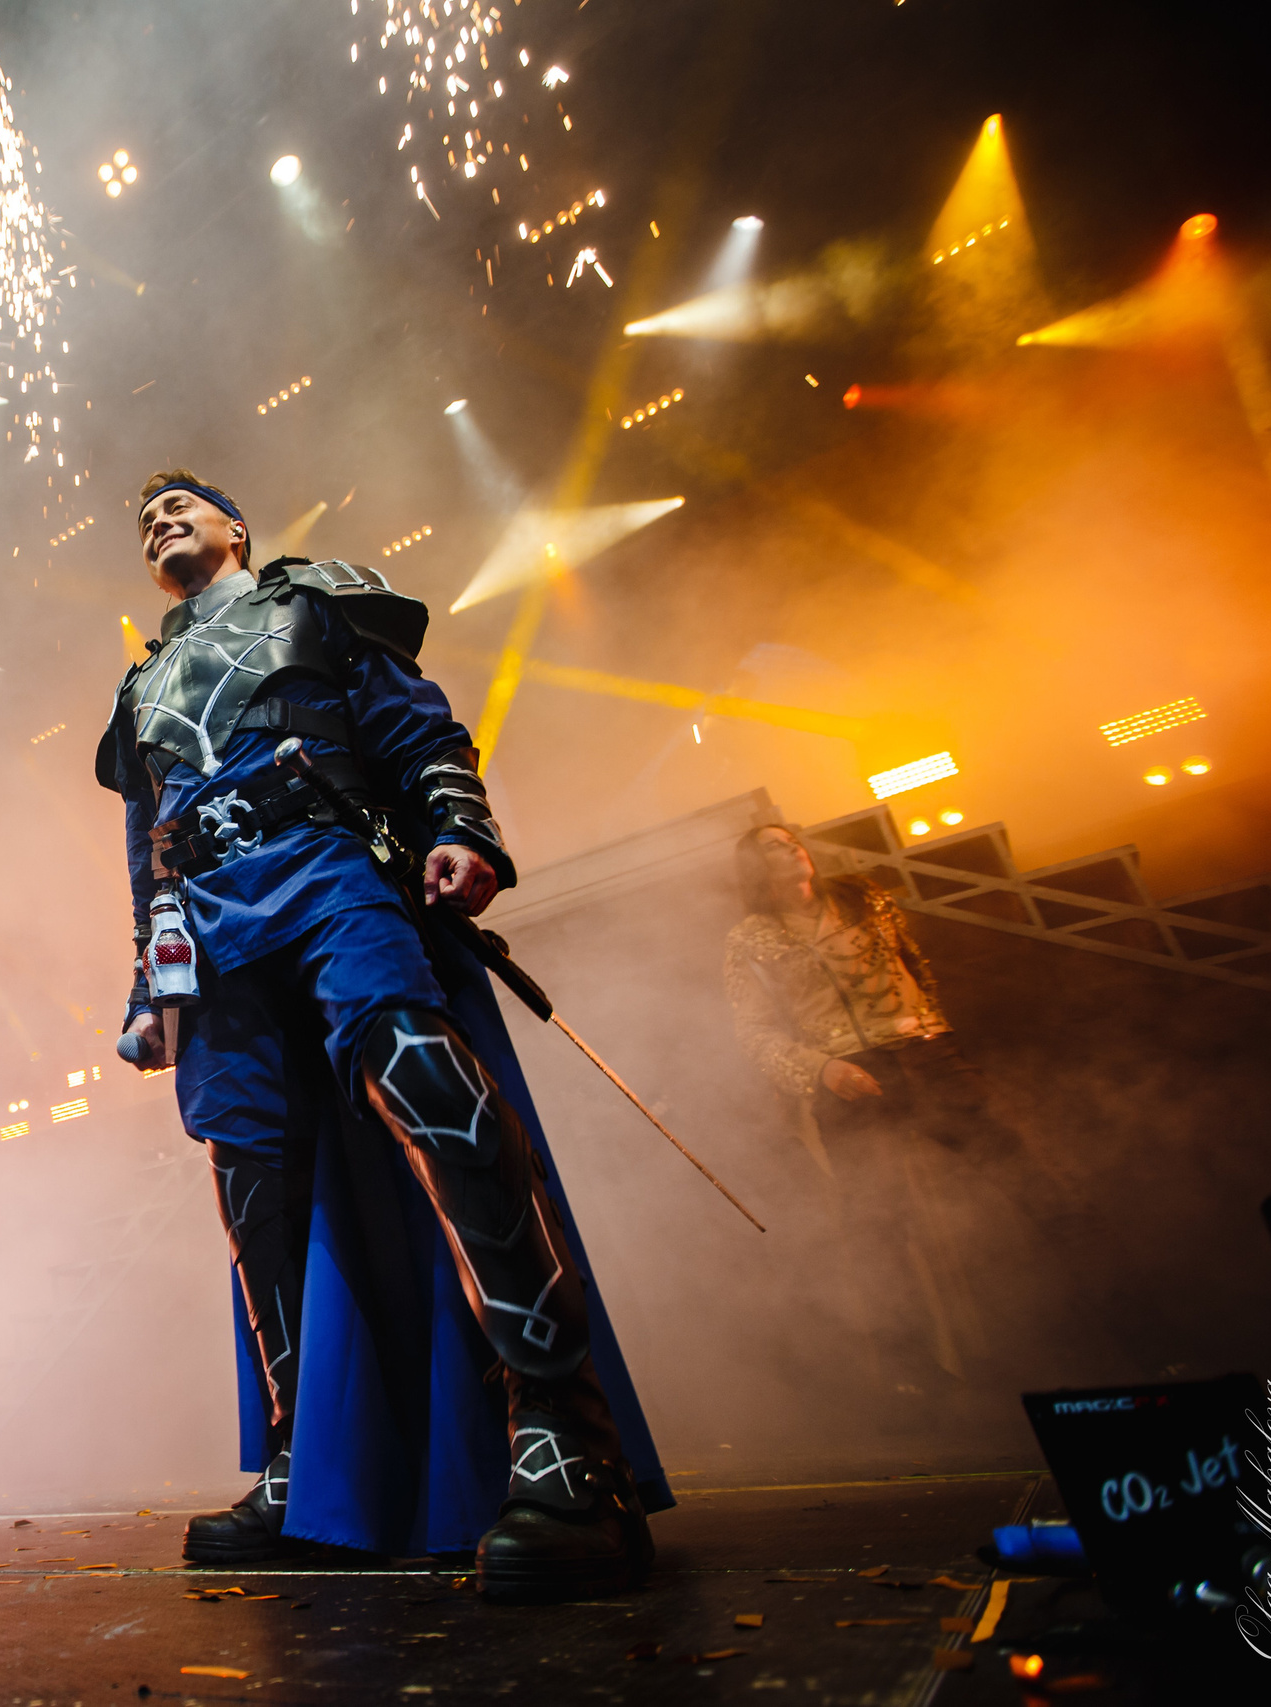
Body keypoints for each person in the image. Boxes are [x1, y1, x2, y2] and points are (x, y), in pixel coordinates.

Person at [97, 470, 671, 1601]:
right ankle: (302, 1465)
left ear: (237, 526)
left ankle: (565, 1447)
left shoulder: (316, 602)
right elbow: (147, 849)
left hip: (328, 873)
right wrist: (148, 982)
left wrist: (462, 826)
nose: (160, 515)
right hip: (212, 929)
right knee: (252, 1178)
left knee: (429, 1087)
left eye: (184, 503)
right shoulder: (139, 686)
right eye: (145, 515)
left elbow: (417, 729)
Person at [723, 823, 1012, 1392]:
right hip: (847, 1078)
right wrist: (822, 1069)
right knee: (877, 1229)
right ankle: (912, 1380)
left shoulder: (864, 897)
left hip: (927, 1056)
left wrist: (932, 1034)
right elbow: (754, 1034)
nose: (792, 848)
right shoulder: (750, 937)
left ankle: (1139, 1333)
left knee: (1029, 1175)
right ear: (755, 868)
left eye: (791, 839)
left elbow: (916, 968)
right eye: (774, 847)